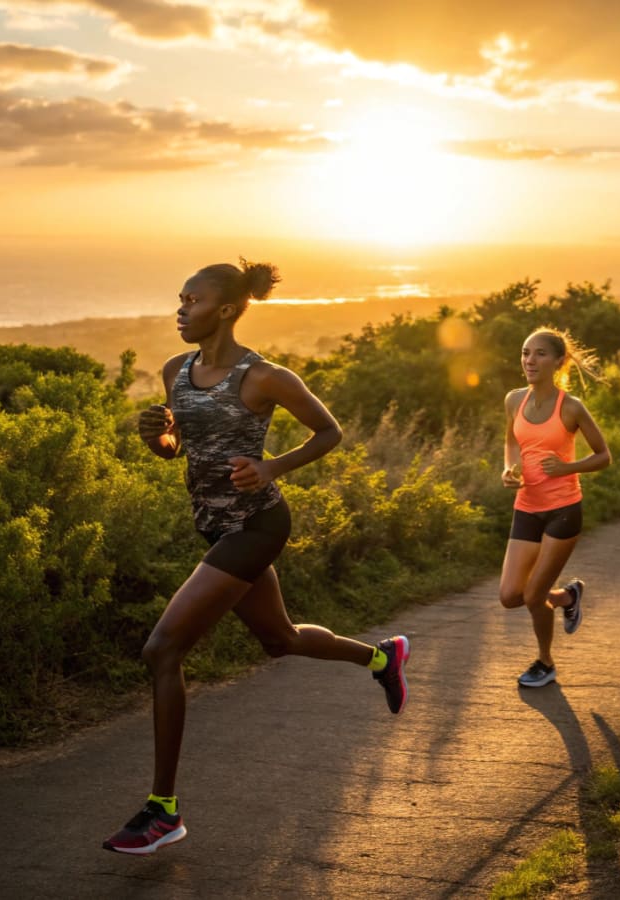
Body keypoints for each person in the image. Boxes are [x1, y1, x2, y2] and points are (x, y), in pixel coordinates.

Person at [103, 258, 409, 856]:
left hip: (257, 525)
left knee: (162, 650)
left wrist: (271, 467)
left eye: (191, 300)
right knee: (280, 639)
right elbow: (181, 448)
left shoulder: (264, 376)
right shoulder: (176, 370)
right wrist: (156, 439)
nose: (180, 310)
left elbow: (329, 432)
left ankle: (163, 811)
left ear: (224, 309)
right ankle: (381, 657)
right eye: (179, 299)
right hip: (213, 526)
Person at [499, 328, 611, 688]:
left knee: (533, 595)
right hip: (526, 506)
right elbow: (512, 443)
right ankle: (566, 596)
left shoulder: (571, 407)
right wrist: (509, 469)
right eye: (525, 353)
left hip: (563, 510)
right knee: (510, 596)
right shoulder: (514, 400)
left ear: (559, 361)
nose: (530, 360)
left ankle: (545, 663)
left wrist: (567, 468)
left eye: (540, 354)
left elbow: (603, 456)